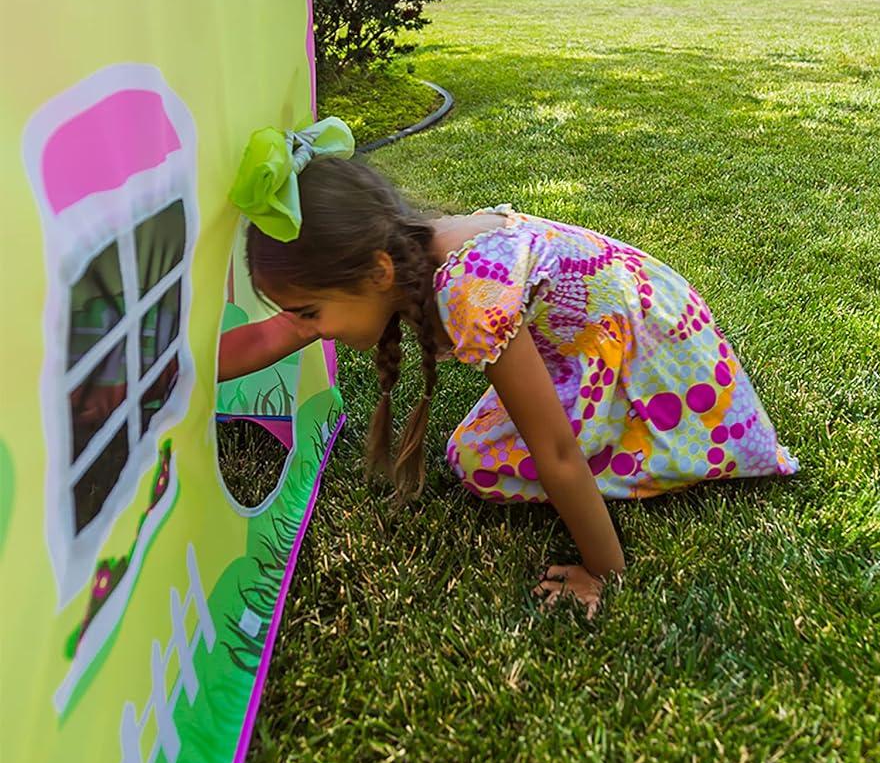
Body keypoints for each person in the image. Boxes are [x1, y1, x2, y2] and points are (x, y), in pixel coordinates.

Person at [220, 119, 799, 620]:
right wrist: (164, 376)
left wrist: (602, 571)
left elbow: (557, 451)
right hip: (587, 342)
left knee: (482, 465)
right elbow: (279, 331)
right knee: (475, 455)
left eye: (311, 313)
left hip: (654, 353)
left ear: (375, 274)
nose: (307, 328)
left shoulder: (469, 292)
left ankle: (660, 444)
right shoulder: (408, 249)